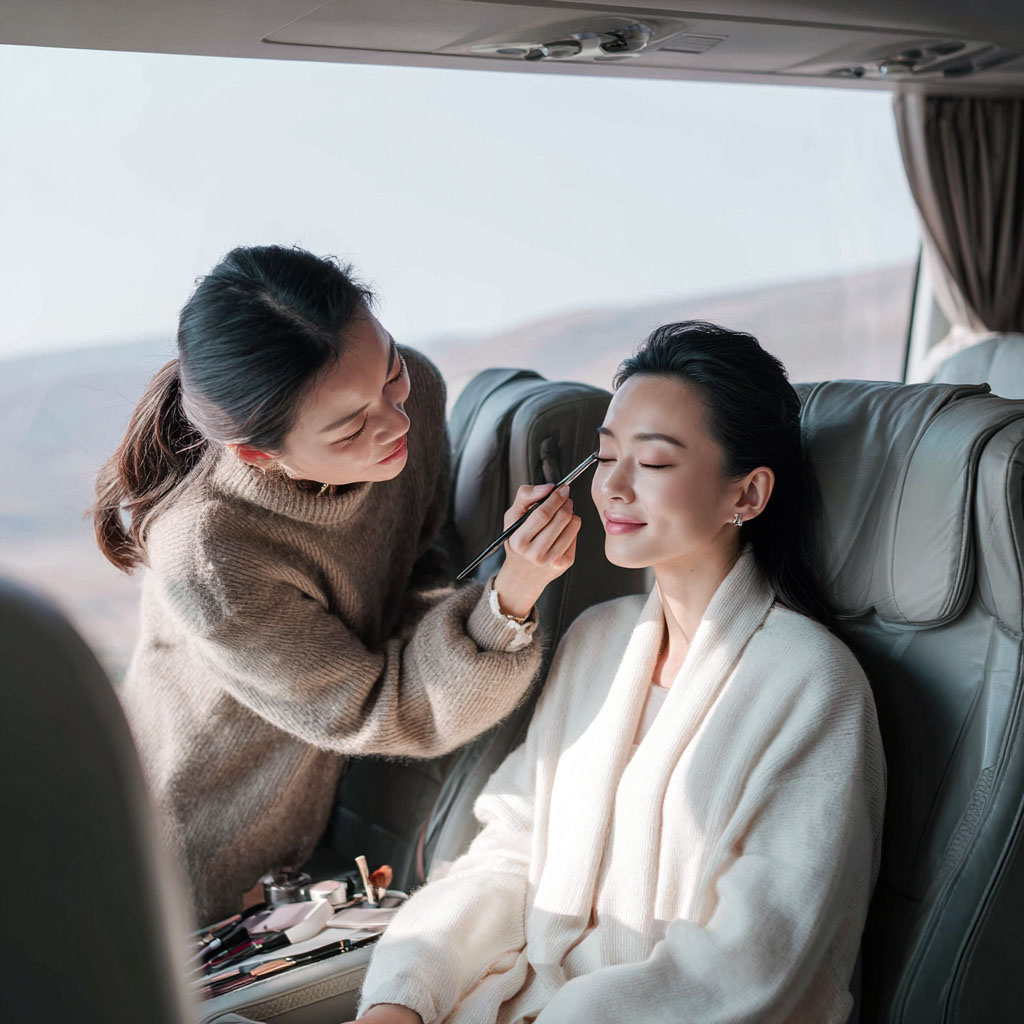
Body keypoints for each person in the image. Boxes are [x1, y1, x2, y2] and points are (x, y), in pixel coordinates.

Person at [351, 321, 886, 1024]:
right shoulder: (595, 641)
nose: (614, 487)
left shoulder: (814, 685)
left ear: (748, 495)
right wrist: (402, 995)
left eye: (654, 462)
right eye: (605, 457)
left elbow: (753, 965)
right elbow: (509, 851)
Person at [92, 245, 581, 924]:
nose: (397, 422)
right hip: (189, 852)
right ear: (259, 454)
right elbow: (384, 708)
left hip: (312, 823)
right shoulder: (209, 557)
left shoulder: (416, 396)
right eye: (351, 427)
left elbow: (420, 571)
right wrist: (510, 598)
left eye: (391, 373)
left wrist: (496, 568)